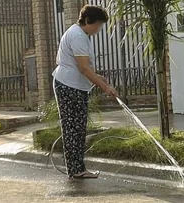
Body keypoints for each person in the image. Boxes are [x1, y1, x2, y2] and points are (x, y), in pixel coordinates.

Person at [52, 5, 118, 179]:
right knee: (74, 128)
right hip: (69, 86)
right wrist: (106, 88)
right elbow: (83, 68)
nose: (99, 29)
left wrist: (98, 77)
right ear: (88, 21)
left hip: (72, 85)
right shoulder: (78, 36)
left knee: (76, 128)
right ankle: (76, 170)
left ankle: (76, 168)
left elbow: (85, 68)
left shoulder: (81, 35)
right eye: (98, 24)